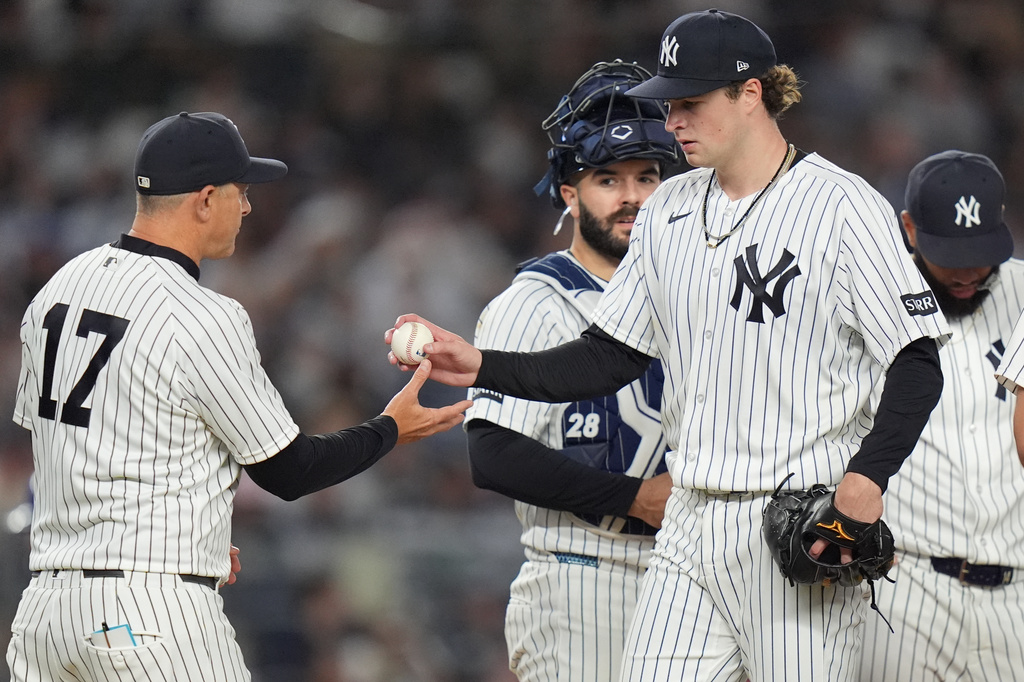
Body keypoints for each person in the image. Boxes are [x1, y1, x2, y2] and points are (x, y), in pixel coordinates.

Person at [386, 9, 952, 681]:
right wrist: (482, 364)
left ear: (751, 94)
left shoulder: (842, 206)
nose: (673, 119)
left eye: (691, 102)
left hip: (794, 519)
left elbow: (917, 361)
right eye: (670, 103)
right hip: (686, 523)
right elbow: (606, 356)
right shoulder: (669, 208)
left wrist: (868, 479)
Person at [6, 111, 472, 682]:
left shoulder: (60, 287)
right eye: (241, 191)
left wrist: (192, 540)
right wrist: (392, 427)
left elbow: (69, 447)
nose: (248, 208)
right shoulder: (205, 315)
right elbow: (290, 472)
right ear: (205, 199)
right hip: (150, 617)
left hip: (45, 616)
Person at [467, 60, 678, 682]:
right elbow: (492, 454)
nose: (632, 197)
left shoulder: (690, 292)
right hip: (585, 576)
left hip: (691, 579)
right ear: (569, 192)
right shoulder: (535, 302)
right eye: (607, 179)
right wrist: (635, 498)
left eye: (647, 176)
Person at [859, 150, 1024, 680]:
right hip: (907, 589)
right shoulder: (870, 300)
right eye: (951, 253)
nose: (970, 270)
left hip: (1016, 597)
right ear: (909, 228)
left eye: (982, 250)